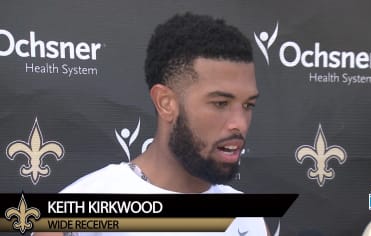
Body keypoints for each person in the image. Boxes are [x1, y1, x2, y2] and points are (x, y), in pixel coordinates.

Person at [34, 12, 270, 236]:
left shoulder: (250, 219)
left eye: (248, 105)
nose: (240, 124)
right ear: (166, 103)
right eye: (220, 103)